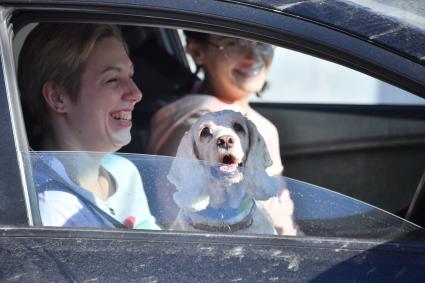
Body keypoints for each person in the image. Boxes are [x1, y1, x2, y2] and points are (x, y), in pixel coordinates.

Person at [145, 31, 298, 235]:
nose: (253, 56)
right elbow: (183, 226)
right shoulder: (203, 123)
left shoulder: (179, 112)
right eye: (233, 44)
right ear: (197, 51)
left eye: (262, 41)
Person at [19, 23, 159, 230]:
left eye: (129, 76)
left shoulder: (125, 171)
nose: (136, 94)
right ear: (58, 98)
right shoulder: (49, 207)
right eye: (112, 79)